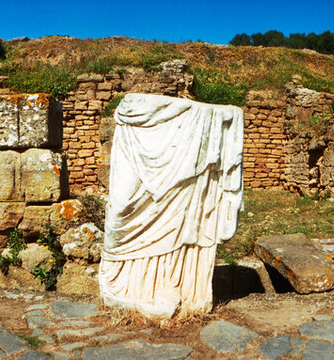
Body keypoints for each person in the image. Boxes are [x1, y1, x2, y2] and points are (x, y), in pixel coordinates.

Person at [98, 93, 243, 317]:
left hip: (179, 137)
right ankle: (124, 286)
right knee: (120, 208)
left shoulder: (184, 112)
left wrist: (225, 114)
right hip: (133, 139)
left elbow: (205, 110)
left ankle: (169, 283)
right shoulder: (128, 114)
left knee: (180, 211)